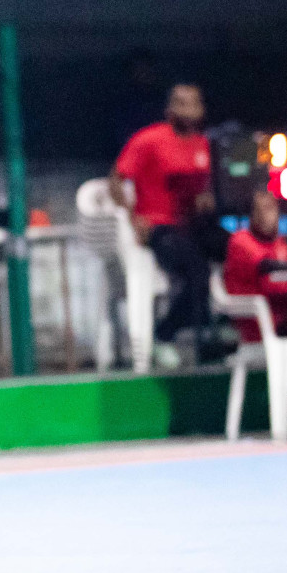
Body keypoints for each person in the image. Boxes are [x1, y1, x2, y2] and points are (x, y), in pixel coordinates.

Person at [111, 83, 217, 366]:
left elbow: (204, 190)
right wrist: (133, 218)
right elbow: (116, 180)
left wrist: (205, 201)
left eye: (193, 103)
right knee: (198, 272)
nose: (188, 110)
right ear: (169, 109)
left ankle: (242, 332)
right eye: (181, 103)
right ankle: (165, 334)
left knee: (235, 249)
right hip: (160, 229)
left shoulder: (204, 145)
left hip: (193, 226)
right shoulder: (149, 140)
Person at [223, 192, 287, 343]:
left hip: (282, 312)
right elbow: (265, 264)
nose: (267, 215)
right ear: (253, 214)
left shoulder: (279, 243)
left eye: (271, 209)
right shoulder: (240, 240)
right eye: (262, 209)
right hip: (257, 319)